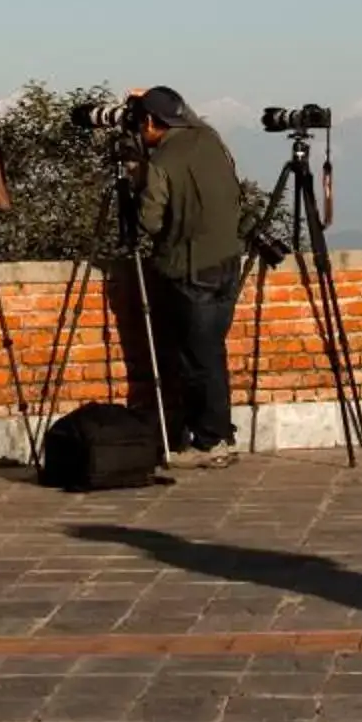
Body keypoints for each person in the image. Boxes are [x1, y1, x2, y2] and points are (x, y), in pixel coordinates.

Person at [132, 87, 246, 467]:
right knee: (212, 352)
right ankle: (216, 433)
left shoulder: (163, 160)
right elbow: (190, 117)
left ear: (150, 122)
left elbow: (149, 222)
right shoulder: (210, 139)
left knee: (198, 358)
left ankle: (211, 440)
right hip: (228, 262)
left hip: (189, 268)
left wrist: (137, 180)